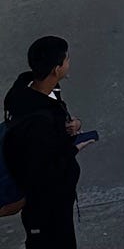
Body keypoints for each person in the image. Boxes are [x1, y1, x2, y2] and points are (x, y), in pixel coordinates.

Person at [3, 37, 88, 248]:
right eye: (66, 59)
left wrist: (72, 125)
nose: (69, 62)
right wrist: (73, 148)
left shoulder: (31, 90)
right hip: (47, 205)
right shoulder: (38, 121)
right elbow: (43, 171)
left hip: (53, 202)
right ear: (56, 69)